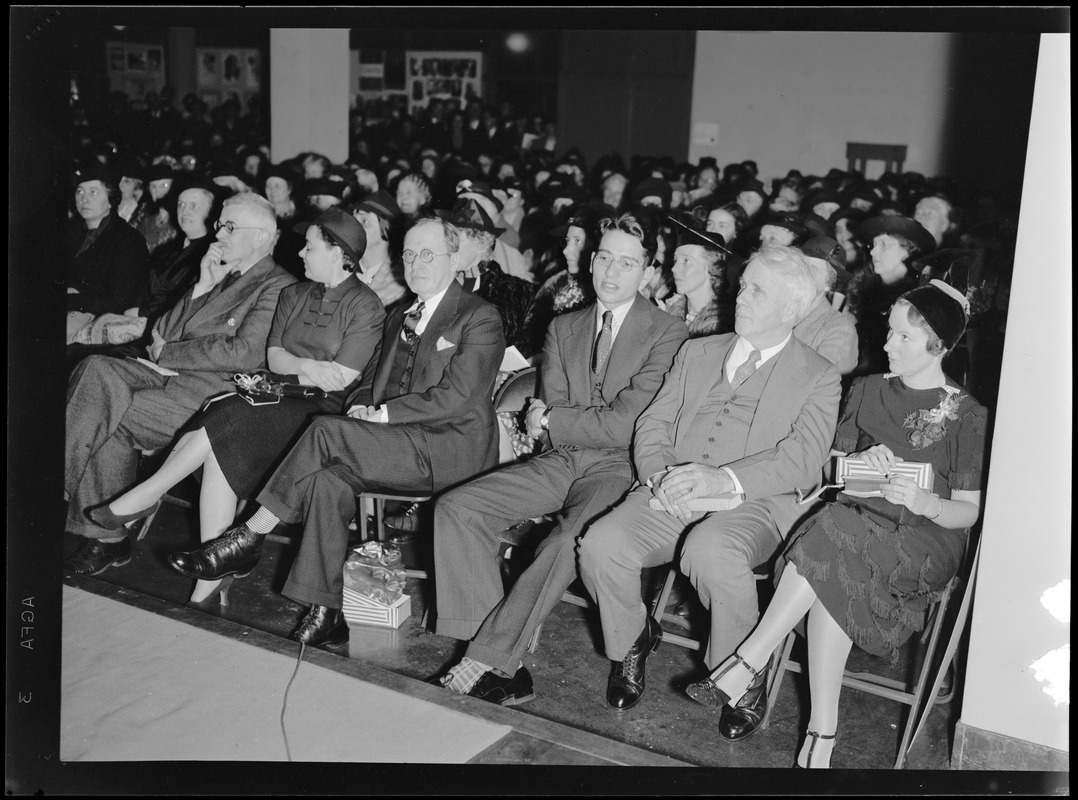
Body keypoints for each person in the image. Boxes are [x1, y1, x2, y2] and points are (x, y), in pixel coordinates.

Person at [166, 216, 505, 647]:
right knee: (327, 480)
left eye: (427, 254)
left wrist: (379, 415)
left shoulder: (480, 317)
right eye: (408, 254)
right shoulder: (400, 312)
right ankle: (326, 610)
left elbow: (457, 397)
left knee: (325, 432)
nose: (416, 264)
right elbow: (369, 378)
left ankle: (250, 534)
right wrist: (363, 403)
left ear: (453, 258)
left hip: (447, 450)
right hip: (393, 445)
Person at [684, 281, 984, 767]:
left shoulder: (966, 415)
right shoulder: (867, 390)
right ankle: (819, 736)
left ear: (940, 346)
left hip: (924, 538)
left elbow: (968, 510)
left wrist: (926, 501)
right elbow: (831, 470)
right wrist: (861, 461)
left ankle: (749, 660)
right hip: (856, 522)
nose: (887, 345)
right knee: (835, 548)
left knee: (833, 536)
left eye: (903, 338)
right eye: (889, 333)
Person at [432, 213, 689, 704]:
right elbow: (556, 410)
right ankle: (496, 655)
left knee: (568, 538)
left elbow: (626, 423)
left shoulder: (667, 333)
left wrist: (553, 418)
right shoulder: (563, 326)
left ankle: (486, 659)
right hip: (563, 459)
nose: (613, 272)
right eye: (605, 258)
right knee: (457, 508)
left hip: (621, 467)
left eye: (628, 263)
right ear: (592, 261)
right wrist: (556, 419)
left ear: (648, 273)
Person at [577, 245, 842, 713]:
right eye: (743, 286)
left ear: (791, 309)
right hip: (671, 489)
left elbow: (803, 459)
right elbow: (653, 425)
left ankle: (738, 675)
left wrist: (721, 480)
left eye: (756, 291)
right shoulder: (696, 351)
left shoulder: (818, 375)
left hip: (753, 504)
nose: (740, 297)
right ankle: (632, 640)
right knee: (600, 545)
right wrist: (662, 478)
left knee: (710, 550)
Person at [91, 208, 384, 607]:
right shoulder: (293, 294)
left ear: (337, 253)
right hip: (277, 390)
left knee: (227, 412)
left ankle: (148, 495)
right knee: (225, 425)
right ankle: (211, 571)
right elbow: (276, 357)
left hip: (320, 408)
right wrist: (307, 366)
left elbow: (342, 378)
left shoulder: (365, 305)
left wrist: (306, 371)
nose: (300, 253)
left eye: (310, 247)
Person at [64, 193, 296, 576]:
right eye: (220, 224)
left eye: (229, 226)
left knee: (108, 410)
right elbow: (162, 331)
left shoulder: (277, 285)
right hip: (169, 379)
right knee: (97, 371)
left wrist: (170, 353)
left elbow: (242, 352)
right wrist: (203, 287)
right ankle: (69, 490)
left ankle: (102, 535)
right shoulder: (218, 274)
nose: (218, 233)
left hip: (210, 397)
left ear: (260, 237)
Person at [442, 198, 536, 355]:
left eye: (456, 240)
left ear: (480, 242)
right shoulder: (444, 283)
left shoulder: (510, 290)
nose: (449, 248)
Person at [520, 203, 604, 359]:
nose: (566, 250)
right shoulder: (557, 282)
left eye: (577, 241)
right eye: (567, 241)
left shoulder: (608, 287)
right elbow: (531, 332)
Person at [854, 215, 936, 376]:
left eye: (883, 244)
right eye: (874, 244)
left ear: (907, 250)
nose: (873, 251)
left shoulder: (915, 299)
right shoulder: (861, 291)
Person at [793, 235, 859, 375]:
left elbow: (818, 384)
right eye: (801, 266)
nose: (803, 274)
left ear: (830, 282)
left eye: (813, 269)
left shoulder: (840, 329)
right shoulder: (777, 309)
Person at [661, 215, 732, 336]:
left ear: (710, 267)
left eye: (686, 261)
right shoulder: (672, 312)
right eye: (675, 260)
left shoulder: (723, 326)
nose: (674, 268)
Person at [347, 189, 410, 314]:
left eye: (364, 221)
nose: (354, 226)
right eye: (353, 219)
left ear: (386, 229)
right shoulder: (341, 268)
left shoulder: (402, 282)